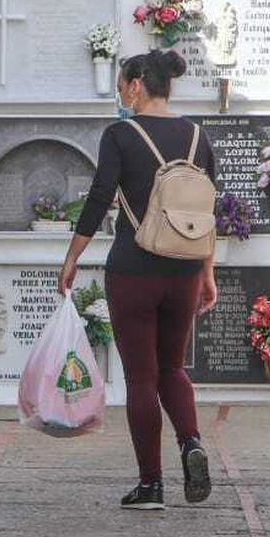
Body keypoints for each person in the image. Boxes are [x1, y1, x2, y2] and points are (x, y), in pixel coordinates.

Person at [59, 49, 216, 510]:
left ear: (134, 85)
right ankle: (191, 442)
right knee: (173, 368)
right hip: (185, 268)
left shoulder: (121, 134)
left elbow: (100, 197)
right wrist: (207, 271)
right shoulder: (196, 136)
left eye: (120, 84)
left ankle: (151, 485)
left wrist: (72, 258)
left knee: (141, 376)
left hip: (134, 268)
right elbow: (206, 211)